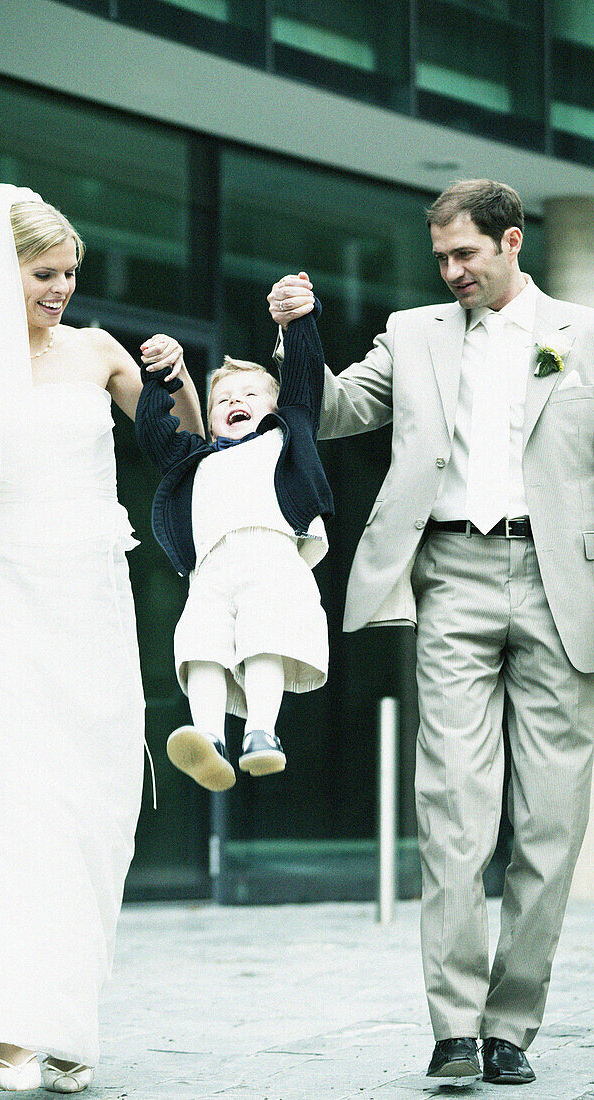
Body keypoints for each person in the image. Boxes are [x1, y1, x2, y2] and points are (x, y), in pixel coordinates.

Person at [269, 180, 594, 1086]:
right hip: (449, 578)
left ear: (513, 241)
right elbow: (332, 411)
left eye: (466, 255)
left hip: (562, 584)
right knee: (451, 811)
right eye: (441, 258)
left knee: (549, 824)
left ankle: (512, 1027)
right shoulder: (412, 335)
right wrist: (298, 334)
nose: (451, 272)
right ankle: (455, 1026)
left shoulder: (583, 335)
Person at [0, 184, 203, 1093]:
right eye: (45, 272)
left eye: (70, 272)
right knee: (8, 807)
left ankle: (69, 1016)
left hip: (92, 600)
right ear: (5, 271)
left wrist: (179, 379)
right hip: (6, 601)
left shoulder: (98, 352)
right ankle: (15, 1033)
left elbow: (178, 448)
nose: (62, 287)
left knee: (93, 808)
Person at [134, 301, 333, 790]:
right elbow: (153, 433)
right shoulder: (195, 459)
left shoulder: (285, 439)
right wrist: (163, 378)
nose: (233, 402)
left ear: (273, 407)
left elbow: (305, 379)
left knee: (265, 638)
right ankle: (208, 740)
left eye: (249, 394)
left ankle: (262, 732)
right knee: (200, 645)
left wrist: (298, 321)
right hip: (212, 570)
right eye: (221, 399)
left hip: (272, 560)